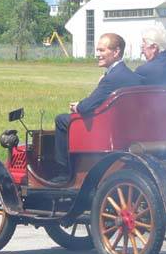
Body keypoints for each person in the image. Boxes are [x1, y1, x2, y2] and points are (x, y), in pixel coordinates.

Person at [54, 33, 142, 181]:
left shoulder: (112, 78)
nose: (97, 54)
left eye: (102, 50)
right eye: (98, 50)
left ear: (116, 52)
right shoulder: (133, 77)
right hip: (127, 128)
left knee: (62, 120)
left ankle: (64, 174)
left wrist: (77, 106)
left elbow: (86, 107)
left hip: (106, 130)